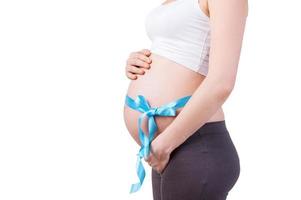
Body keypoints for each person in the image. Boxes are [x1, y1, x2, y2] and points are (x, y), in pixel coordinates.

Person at [123, 0, 248, 199]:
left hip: (194, 145)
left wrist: (164, 145)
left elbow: (222, 82)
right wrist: (141, 61)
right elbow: (181, 47)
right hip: (164, 148)